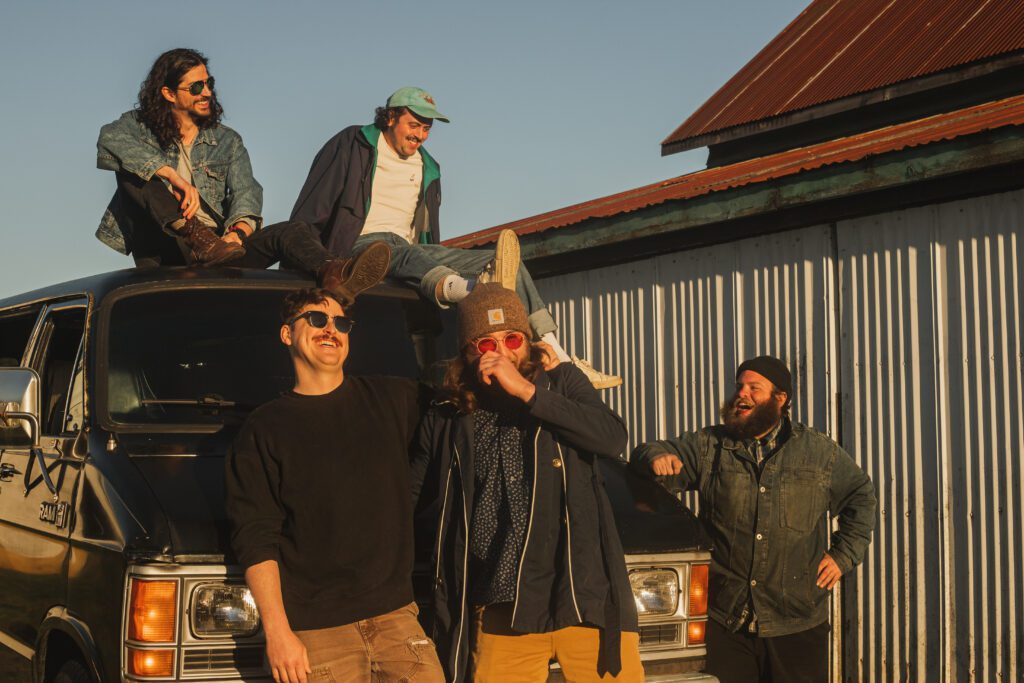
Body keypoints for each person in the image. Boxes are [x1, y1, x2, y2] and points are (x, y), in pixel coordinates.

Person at [291, 88, 621, 389]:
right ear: (390, 117)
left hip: (408, 250)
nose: (420, 134)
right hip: (358, 248)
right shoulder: (354, 144)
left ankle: (559, 355)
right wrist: (311, 259)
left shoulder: (428, 167)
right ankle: (476, 290)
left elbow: (426, 233)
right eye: (414, 124)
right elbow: (314, 204)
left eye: (426, 128)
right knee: (395, 251)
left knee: (502, 261)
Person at [410, 283, 642, 682]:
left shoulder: (563, 384)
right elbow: (410, 495)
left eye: (512, 338)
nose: (501, 351)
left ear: (528, 343)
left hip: (581, 596)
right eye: (486, 344)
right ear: (468, 353)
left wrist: (527, 392)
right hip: (502, 603)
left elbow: (610, 437)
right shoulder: (449, 416)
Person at [226, 286, 445, 683]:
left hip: (397, 620)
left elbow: (460, 400)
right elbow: (256, 536)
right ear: (286, 334)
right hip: (316, 635)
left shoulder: (394, 399)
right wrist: (278, 634)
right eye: (316, 319)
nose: (331, 329)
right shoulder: (264, 428)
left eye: (341, 323)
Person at [630, 356, 876, 683]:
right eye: (739, 387)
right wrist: (656, 457)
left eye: (753, 388)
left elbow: (861, 496)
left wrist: (843, 555)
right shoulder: (709, 446)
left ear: (780, 399)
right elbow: (646, 452)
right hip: (726, 620)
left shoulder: (818, 453)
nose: (741, 395)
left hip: (795, 621)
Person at [95, 48, 387, 304]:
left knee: (291, 230)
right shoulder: (136, 128)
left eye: (209, 83)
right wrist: (172, 176)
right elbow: (109, 139)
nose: (207, 92)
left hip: (220, 251)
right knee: (134, 174)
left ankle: (338, 275)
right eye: (196, 87)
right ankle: (195, 236)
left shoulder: (227, 141)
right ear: (169, 94)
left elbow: (247, 192)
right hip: (168, 246)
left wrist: (236, 235)